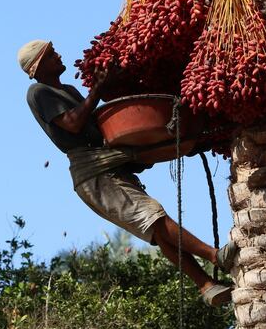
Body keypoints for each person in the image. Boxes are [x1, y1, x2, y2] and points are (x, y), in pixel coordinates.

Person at [18, 39, 237, 306]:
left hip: (107, 164)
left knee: (154, 231)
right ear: (38, 65)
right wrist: (98, 88)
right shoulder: (38, 92)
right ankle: (216, 256)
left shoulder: (69, 90)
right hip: (95, 175)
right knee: (154, 217)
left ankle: (206, 286)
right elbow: (74, 125)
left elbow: (100, 131)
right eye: (52, 55)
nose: (59, 55)